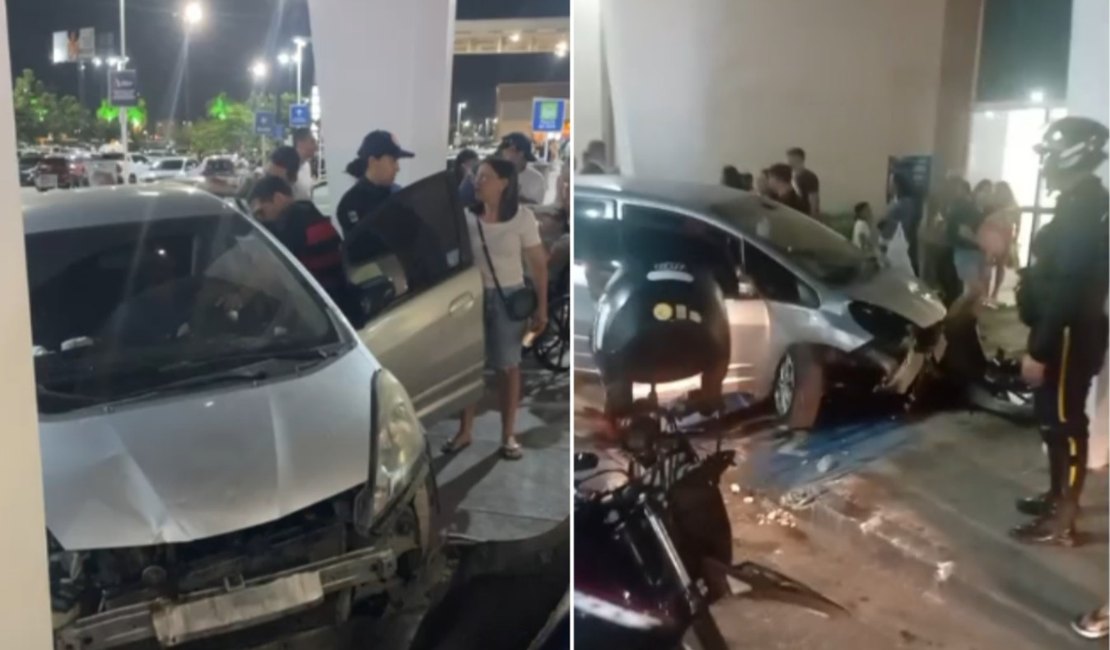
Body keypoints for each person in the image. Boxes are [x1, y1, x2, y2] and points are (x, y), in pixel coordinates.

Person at [1011, 116, 1109, 547]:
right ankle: (1057, 496)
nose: (1046, 162)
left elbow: (1069, 286)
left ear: (1073, 154)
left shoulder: (1084, 206)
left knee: (1066, 423)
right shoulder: (1079, 201)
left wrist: (1040, 348)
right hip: (1068, 330)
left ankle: (1063, 520)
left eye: (1051, 152)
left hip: (1069, 334)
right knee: (1054, 422)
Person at [442, 158, 549, 460]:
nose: (477, 181)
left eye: (485, 177)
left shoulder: (522, 219)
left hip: (509, 300)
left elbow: (538, 266)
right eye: (476, 176)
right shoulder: (466, 218)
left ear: (504, 183)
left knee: (508, 367)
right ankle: (465, 431)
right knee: (471, 367)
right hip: (472, 297)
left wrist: (541, 308)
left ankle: (508, 435)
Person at [248, 175, 356, 320]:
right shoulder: (310, 213)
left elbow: (272, 272)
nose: (261, 220)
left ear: (278, 198)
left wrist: (242, 294)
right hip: (341, 303)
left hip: (319, 311)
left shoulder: (290, 224)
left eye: (261, 212)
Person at [335, 130, 413, 238]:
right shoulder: (351, 204)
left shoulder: (399, 194)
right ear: (373, 162)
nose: (397, 168)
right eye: (393, 160)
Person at [943, 176, 986, 320]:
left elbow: (962, 231)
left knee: (969, 291)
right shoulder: (974, 208)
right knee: (973, 291)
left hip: (965, 251)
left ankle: (956, 319)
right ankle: (969, 321)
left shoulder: (959, 207)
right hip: (972, 251)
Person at [984, 180, 1019, 307]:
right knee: (989, 264)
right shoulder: (993, 205)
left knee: (999, 265)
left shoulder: (1011, 207)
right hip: (997, 234)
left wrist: (1014, 239)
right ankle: (988, 293)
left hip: (1004, 235)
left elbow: (1017, 224)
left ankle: (993, 293)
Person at [884, 173, 923, 276]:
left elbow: (905, 226)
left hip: (902, 247)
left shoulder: (906, 204)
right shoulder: (900, 202)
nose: (889, 185)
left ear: (897, 185)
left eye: (891, 182)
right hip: (901, 245)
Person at [498, 132, 546, 204]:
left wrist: (514, 197)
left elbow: (536, 207)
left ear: (521, 153)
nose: (504, 153)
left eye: (509, 150)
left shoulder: (536, 179)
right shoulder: (496, 174)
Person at [787, 147, 820, 218]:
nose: (788, 161)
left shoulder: (809, 177)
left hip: (805, 214)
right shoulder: (789, 176)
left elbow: (813, 198)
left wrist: (813, 216)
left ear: (798, 159)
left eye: (790, 159)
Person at [292, 127, 318, 201]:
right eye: (312, 142)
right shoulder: (286, 166)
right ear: (300, 143)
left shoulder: (307, 165)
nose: (316, 147)